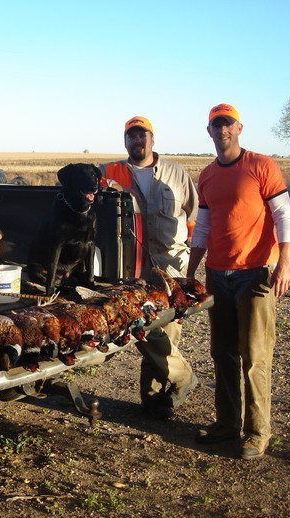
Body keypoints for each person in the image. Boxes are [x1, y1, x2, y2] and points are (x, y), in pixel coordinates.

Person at [188, 103, 290, 460]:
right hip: (217, 275)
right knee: (222, 353)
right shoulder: (206, 176)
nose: (222, 130)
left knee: (254, 355)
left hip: (255, 274)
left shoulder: (261, 166)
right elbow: (202, 226)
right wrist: (191, 272)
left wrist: (284, 264)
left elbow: (284, 217)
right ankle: (227, 424)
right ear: (209, 131)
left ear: (239, 128)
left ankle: (257, 432)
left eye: (227, 124)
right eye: (216, 125)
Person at [100, 116, 199, 420]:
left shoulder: (176, 174)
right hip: (130, 267)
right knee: (140, 329)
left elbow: (194, 218)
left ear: (152, 140)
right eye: (131, 136)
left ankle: (155, 401)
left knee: (166, 332)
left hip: (171, 265)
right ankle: (184, 378)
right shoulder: (109, 172)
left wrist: (189, 264)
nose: (137, 141)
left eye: (142, 135)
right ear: (125, 141)